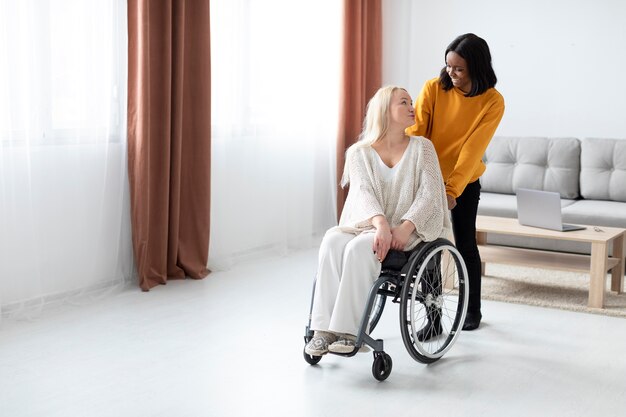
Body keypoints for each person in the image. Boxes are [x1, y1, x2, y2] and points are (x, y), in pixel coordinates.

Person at [305, 86, 452, 356]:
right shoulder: (359, 152)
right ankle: (322, 330)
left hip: (411, 231)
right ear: (385, 110)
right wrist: (381, 225)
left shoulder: (423, 148)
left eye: (411, 102)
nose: (412, 107)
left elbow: (430, 194)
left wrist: (406, 227)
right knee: (332, 239)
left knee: (360, 248)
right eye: (403, 102)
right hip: (370, 224)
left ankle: (349, 333)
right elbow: (362, 193)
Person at [406, 33, 505, 331]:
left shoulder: (492, 102)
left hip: (463, 182)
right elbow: (416, 132)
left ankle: (472, 311)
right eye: (448, 65)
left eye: (459, 69)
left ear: (476, 67)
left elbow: (472, 150)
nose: (452, 72)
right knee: (429, 244)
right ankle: (434, 319)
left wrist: (451, 191)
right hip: (427, 176)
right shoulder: (434, 88)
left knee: (464, 244)